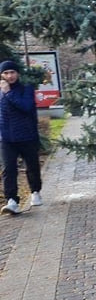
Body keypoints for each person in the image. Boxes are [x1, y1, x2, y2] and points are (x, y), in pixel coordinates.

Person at [0, 60, 43, 215]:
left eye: (12, 72)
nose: (9, 76)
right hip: (7, 138)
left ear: (17, 73)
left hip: (27, 135)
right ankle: (12, 201)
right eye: (6, 73)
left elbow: (25, 106)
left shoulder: (26, 89)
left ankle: (35, 191)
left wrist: (8, 93)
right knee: (8, 169)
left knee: (32, 166)